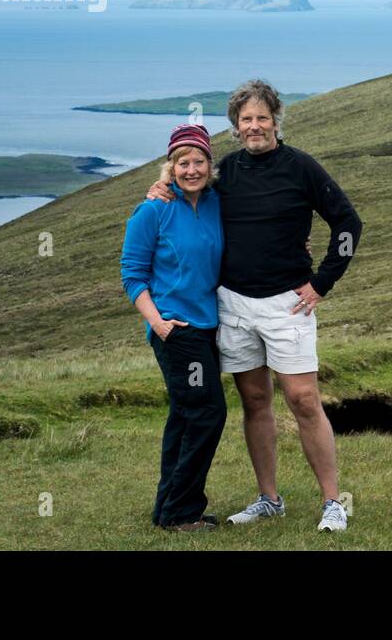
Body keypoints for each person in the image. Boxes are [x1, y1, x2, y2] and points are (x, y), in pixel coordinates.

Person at [146, 80, 362, 532]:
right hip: (234, 305)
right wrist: (161, 184)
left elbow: (347, 221)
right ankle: (269, 498)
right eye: (247, 119)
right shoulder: (225, 171)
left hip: (289, 304)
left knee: (304, 399)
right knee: (255, 399)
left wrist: (322, 282)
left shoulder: (301, 167)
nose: (255, 126)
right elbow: (191, 184)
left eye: (263, 118)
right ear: (236, 127)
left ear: (276, 121)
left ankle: (332, 502)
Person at [121, 123, 227, 532]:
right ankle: (183, 512)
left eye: (199, 161)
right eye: (183, 162)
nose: (192, 169)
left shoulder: (218, 202)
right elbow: (133, 275)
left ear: (209, 165)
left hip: (208, 327)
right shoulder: (153, 210)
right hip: (176, 330)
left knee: (185, 415)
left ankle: (168, 509)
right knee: (207, 413)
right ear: (170, 167)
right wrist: (159, 324)